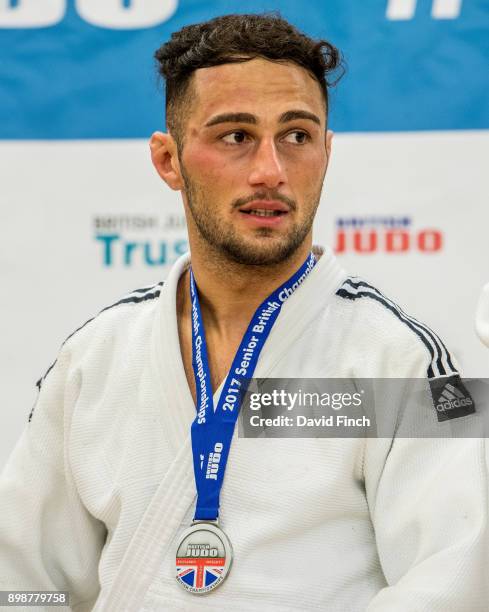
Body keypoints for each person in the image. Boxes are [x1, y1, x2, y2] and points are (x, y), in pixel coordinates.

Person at [0, 13, 487, 612]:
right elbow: (22, 584)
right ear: (169, 160)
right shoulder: (93, 360)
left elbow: (455, 580)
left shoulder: (399, 362)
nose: (270, 172)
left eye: (297, 136)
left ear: (327, 153)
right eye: (235, 136)